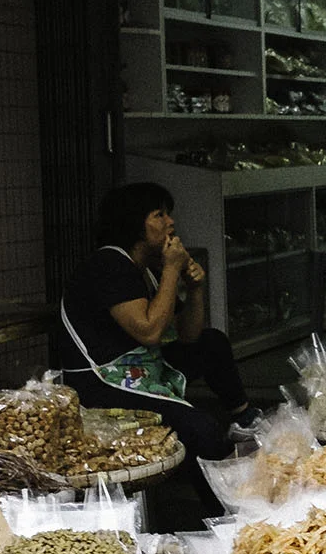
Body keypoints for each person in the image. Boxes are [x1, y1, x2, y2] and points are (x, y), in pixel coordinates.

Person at [59, 181, 253, 467]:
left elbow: (188, 335)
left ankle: (244, 418)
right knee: (201, 430)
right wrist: (173, 269)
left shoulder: (145, 270)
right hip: (101, 382)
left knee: (212, 343)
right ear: (134, 225)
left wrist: (195, 288)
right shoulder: (109, 265)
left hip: (140, 367)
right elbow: (149, 331)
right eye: (159, 215)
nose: (170, 222)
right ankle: (226, 501)